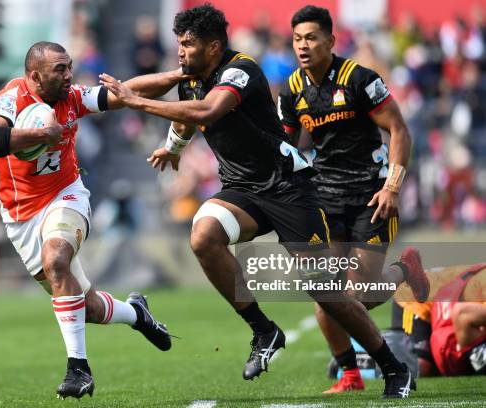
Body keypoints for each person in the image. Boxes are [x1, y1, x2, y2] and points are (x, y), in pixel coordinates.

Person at [100, 4, 415, 398]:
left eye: (187, 44)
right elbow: (186, 118)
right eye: (178, 43)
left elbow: (207, 110)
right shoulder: (194, 77)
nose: (180, 51)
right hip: (243, 190)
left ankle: (393, 368)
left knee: (330, 296)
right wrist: (172, 146)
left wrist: (136, 101)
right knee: (203, 238)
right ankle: (264, 330)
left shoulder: (241, 70)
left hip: (290, 190)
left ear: (213, 47)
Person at [0, 41, 185, 400]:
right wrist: (41, 134)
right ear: (35, 75)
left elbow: (128, 91)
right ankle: (137, 315)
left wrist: (181, 74)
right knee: (82, 305)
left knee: (56, 259)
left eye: (69, 66)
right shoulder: (12, 97)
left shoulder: (73, 97)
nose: (69, 74)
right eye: (60, 68)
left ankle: (78, 369)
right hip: (20, 215)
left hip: (66, 195)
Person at [277, 6, 430, 393]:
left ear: (330, 41)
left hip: (372, 194)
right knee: (327, 294)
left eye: (311, 38)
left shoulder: (360, 79)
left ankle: (403, 272)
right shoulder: (292, 90)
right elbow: (286, 147)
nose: (303, 46)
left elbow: (399, 129)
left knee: (356, 295)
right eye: (297, 39)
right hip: (325, 197)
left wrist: (392, 187)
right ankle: (350, 375)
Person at [395, 263, 486, 377]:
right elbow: (462, 313)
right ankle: (371, 356)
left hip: (450, 325)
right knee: (420, 368)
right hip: (416, 298)